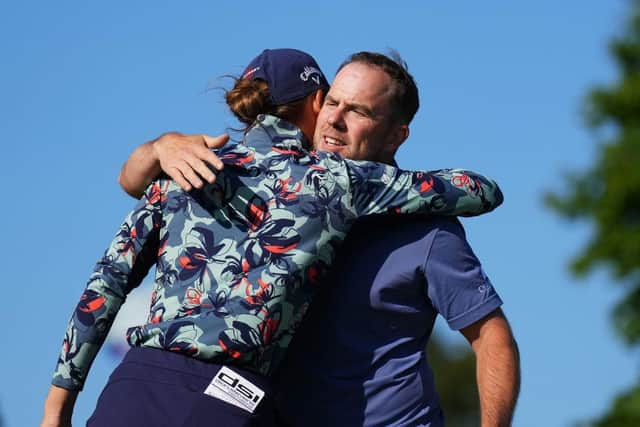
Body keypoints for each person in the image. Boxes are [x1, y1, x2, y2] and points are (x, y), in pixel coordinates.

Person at [41, 49, 503, 427]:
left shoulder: (178, 171)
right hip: (227, 400)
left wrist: (56, 406)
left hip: (131, 385)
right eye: (332, 103)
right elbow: (481, 190)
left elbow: (102, 289)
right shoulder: (334, 181)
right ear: (314, 103)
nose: (336, 119)